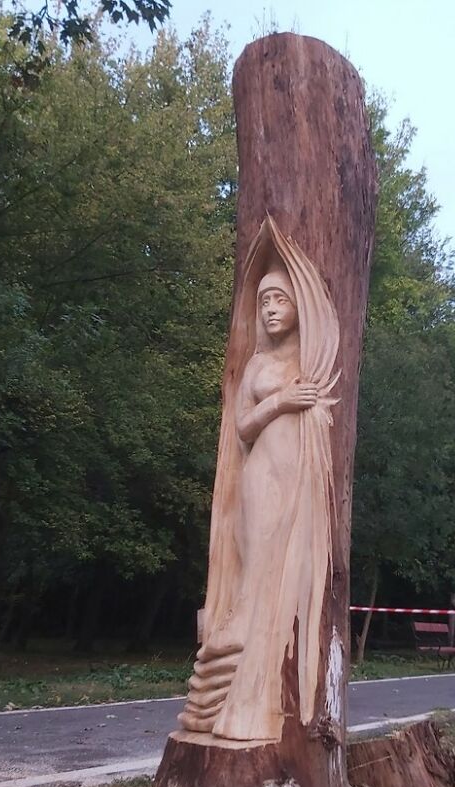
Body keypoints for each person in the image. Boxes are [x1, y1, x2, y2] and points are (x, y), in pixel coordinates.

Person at [179, 216, 339, 742]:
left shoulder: (308, 358)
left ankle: (258, 690)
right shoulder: (257, 364)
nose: (271, 311)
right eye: (265, 302)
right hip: (259, 481)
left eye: (281, 301)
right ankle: (228, 682)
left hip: (296, 484)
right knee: (255, 573)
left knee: (279, 579)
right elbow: (242, 428)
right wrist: (281, 401)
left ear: (299, 307)